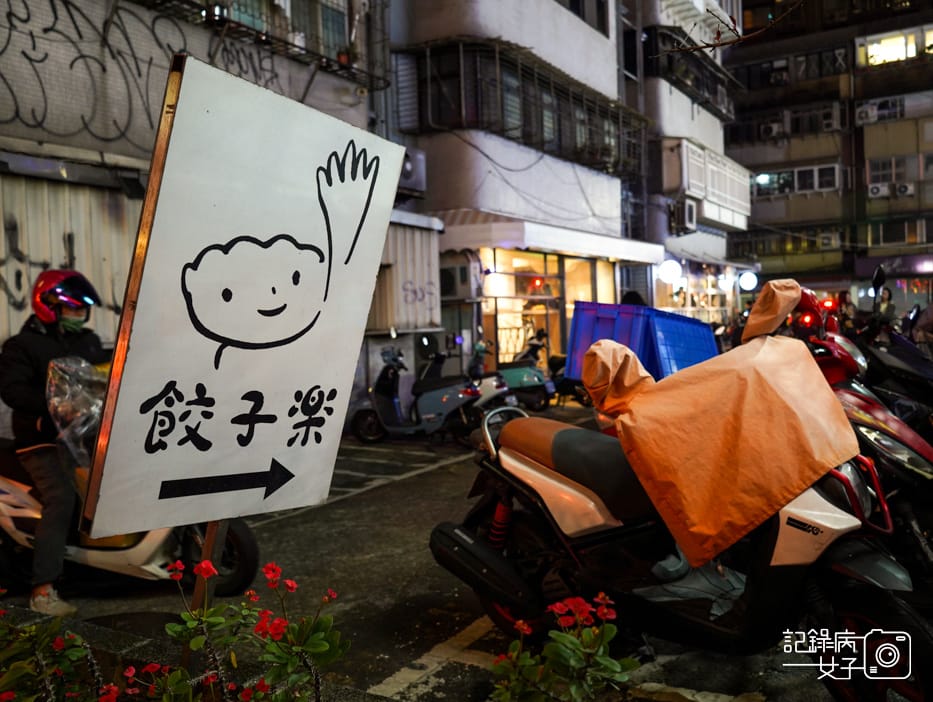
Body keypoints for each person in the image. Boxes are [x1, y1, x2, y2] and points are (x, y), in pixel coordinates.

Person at [0, 270, 109, 616]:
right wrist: (53, 405)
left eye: (82, 311)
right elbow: (12, 390)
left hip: (87, 434)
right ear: (48, 306)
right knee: (61, 497)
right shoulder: (22, 346)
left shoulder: (88, 342)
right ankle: (43, 590)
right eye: (72, 309)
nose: (79, 317)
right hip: (41, 439)